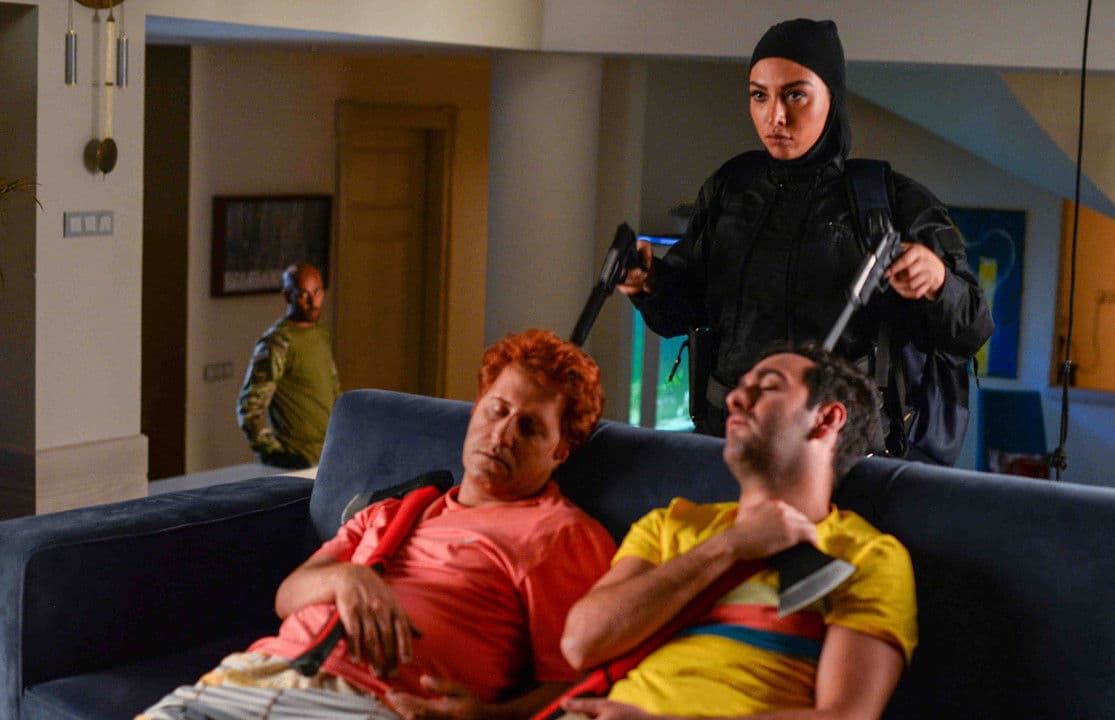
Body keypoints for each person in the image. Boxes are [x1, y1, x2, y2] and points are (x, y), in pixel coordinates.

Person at [142, 329, 618, 720]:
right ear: (477, 408)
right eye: (497, 410)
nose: (502, 434)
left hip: (371, 702)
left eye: (530, 427)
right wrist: (345, 578)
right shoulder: (395, 511)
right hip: (257, 674)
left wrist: (491, 718)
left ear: (560, 450)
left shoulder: (559, 534)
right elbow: (288, 596)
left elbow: (578, 680)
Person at [619, 18, 993, 452]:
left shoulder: (890, 199)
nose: (775, 116)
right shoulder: (730, 188)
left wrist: (938, 283)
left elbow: (973, 327)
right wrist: (650, 283)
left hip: (842, 452)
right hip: (730, 441)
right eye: (759, 95)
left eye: (795, 94)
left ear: (832, 98)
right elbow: (685, 310)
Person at [558, 344, 916, 720]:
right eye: (741, 386)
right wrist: (730, 544)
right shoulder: (670, 523)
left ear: (826, 419)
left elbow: (844, 715)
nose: (734, 398)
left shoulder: (866, 555)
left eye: (769, 387)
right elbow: (581, 644)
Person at [236, 262, 342, 469]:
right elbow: (249, 409)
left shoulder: (320, 335)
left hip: (329, 457)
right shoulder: (277, 342)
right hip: (297, 461)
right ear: (287, 296)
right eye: (303, 294)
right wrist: (275, 454)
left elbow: (334, 390)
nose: (313, 302)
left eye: (317, 292)